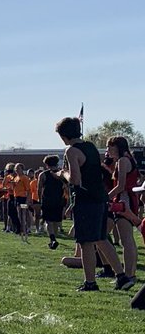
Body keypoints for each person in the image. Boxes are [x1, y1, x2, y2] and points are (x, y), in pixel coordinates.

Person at [55, 117, 128, 291]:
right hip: (100, 197)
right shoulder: (91, 146)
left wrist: (62, 173)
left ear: (64, 135)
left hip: (86, 201)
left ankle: (90, 282)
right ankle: (121, 276)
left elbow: (75, 179)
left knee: (86, 242)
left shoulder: (71, 151)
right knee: (101, 238)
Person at [106, 136, 139, 289]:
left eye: (110, 147)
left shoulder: (122, 161)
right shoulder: (128, 159)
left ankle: (128, 275)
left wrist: (105, 198)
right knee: (129, 240)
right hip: (129, 200)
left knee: (126, 241)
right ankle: (130, 274)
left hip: (124, 202)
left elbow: (121, 186)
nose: (108, 151)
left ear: (118, 147)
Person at [38, 155, 66, 250]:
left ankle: (52, 239)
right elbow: (66, 187)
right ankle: (54, 238)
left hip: (47, 200)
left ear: (46, 164)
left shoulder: (43, 175)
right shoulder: (62, 174)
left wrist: (40, 200)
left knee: (48, 221)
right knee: (56, 222)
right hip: (59, 200)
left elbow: (39, 189)